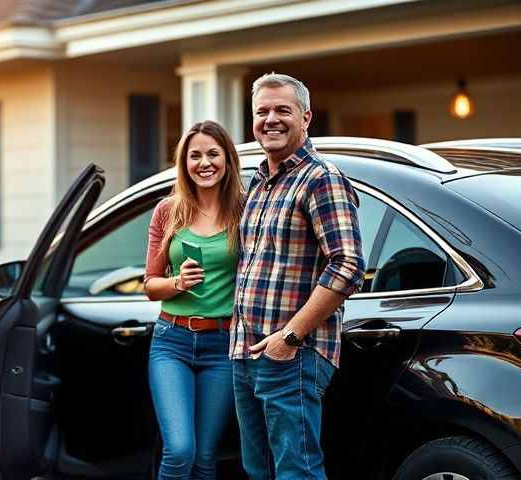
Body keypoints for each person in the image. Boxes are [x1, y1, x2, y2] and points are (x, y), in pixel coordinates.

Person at [231, 73, 365, 479]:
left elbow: (348, 264)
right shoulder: (259, 181)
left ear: (306, 117)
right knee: (261, 471)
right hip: (246, 351)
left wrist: (289, 338)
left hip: (292, 355)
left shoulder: (320, 178)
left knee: (297, 472)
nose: (271, 119)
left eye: (282, 110)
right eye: (262, 111)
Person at [144, 120, 245, 479]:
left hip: (223, 344)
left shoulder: (244, 211)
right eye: (195, 155)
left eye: (213, 154)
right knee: (179, 450)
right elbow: (150, 285)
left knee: (205, 457)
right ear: (184, 163)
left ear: (227, 159)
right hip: (172, 342)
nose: (205, 163)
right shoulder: (168, 211)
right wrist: (178, 283)